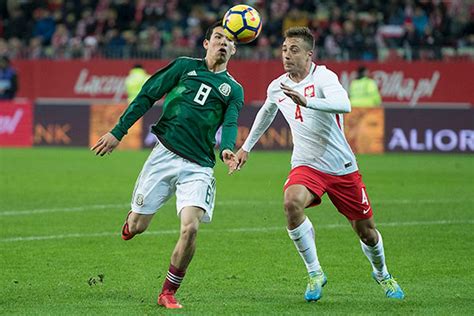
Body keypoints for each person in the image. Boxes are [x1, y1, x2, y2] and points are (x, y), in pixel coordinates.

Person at [236, 27, 404, 302]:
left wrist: (308, 101)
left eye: (294, 50)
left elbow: (344, 104)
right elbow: (266, 112)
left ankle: (382, 273)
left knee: (367, 232)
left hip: (341, 166)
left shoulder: (324, 76)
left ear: (309, 54)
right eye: (284, 49)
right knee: (291, 203)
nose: (287, 55)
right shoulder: (277, 85)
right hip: (306, 164)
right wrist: (246, 147)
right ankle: (315, 272)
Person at [91, 21, 243, 309]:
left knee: (191, 228)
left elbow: (232, 121)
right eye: (218, 37)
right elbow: (147, 94)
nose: (223, 43)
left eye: (229, 41)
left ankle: (168, 292)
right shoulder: (184, 67)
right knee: (138, 226)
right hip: (163, 156)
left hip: (199, 166)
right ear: (206, 43)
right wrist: (117, 132)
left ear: (234, 49)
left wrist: (226, 149)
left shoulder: (233, 89)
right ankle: (132, 221)